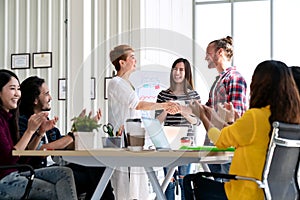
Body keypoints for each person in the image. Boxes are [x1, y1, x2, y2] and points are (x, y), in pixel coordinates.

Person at [185, 60, 300, 199]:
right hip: (276, 194)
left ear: (260, 85)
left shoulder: (255, 116)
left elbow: (220, 140)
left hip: (245, 193)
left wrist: (202, 116)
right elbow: (235, 134)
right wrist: (214, 117)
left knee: (190, 181)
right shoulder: (291, 120)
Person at [18, 76, 114, 200]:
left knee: (98, 166)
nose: (51, 98)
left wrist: (83, 130)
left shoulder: (48, 123)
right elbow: (42, 150)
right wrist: (74, 133)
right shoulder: (23, 122)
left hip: (55, 168)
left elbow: (66, 146)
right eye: (46, 94)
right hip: (41, 171)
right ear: (35, 100)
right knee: (95, 177)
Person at [108, 44, 180, 200]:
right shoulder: (116, 83)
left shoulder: (127, 84)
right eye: (132, 57)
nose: (135, 60)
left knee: (137, 186)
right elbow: (137, 105)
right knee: (126, 187)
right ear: (122, 62)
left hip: (134, 140)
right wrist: (164, 105)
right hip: (124, 141)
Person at [0, 69, 78, 200]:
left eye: (18, 89)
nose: (17, 94)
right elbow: (10, 159)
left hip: (17, 173)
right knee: (58, 191)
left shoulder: (11, 118)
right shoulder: (8, 120)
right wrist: (30, 131)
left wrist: (39, 132)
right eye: (12, 88)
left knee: (65, 173)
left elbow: (23, 159)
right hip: (5, 180)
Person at [155, 58, 201, 200]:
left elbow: (197, 121)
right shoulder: (163, 95)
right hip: (167, 144)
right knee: (168, 182)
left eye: (181, 70)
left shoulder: (193, 95)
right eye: (175, 69)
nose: (177, 72)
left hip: (186, 144)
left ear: (186, 73)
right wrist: (167, 109)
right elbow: (157, 122)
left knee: (184, 181)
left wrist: (181, 110)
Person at [204, 36, 247, 175]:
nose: (206, 58)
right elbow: (207, 109)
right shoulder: (218, 82)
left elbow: (235, 116)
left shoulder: (234, 78)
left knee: (228, 188)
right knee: (217, 187)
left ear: (220, 52)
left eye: (208, 54)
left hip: (228, 144)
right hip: (216, 142)